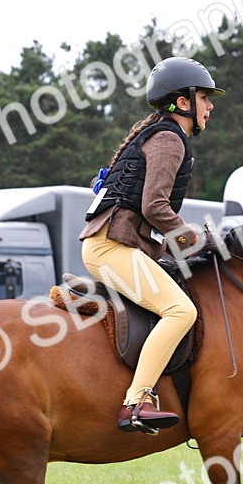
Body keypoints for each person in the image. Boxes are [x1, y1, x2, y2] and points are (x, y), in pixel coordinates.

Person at [78, 56, 225, 433]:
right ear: (183, 102)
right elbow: (154, 206)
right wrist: (195, 238)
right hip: (111, 249)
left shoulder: (158, 133)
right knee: (181, 312)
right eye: (205, 98)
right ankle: (137, 403)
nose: (210, 106)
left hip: (113, 246)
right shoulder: (168, 139)